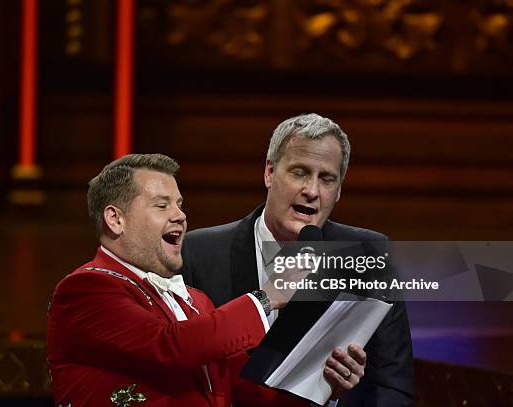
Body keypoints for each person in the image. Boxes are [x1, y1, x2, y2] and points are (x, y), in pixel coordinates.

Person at [47, 153, 362, 407]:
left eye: (179, 204)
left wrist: (323, 384)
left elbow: (254, 392)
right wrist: (267, 297)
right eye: (162, 205)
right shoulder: (85, 290)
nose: (180, 216)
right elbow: (170, 345)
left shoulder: (198, 302)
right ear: (115, 219)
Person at [181, 114, 414, 406]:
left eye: (326, 178)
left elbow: (393, 386)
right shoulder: (197, 253)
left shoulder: (368, 255)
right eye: (299, 172)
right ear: (269, 172)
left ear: (339, 189)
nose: (312, 191)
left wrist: (339, 394)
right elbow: (181, 366)